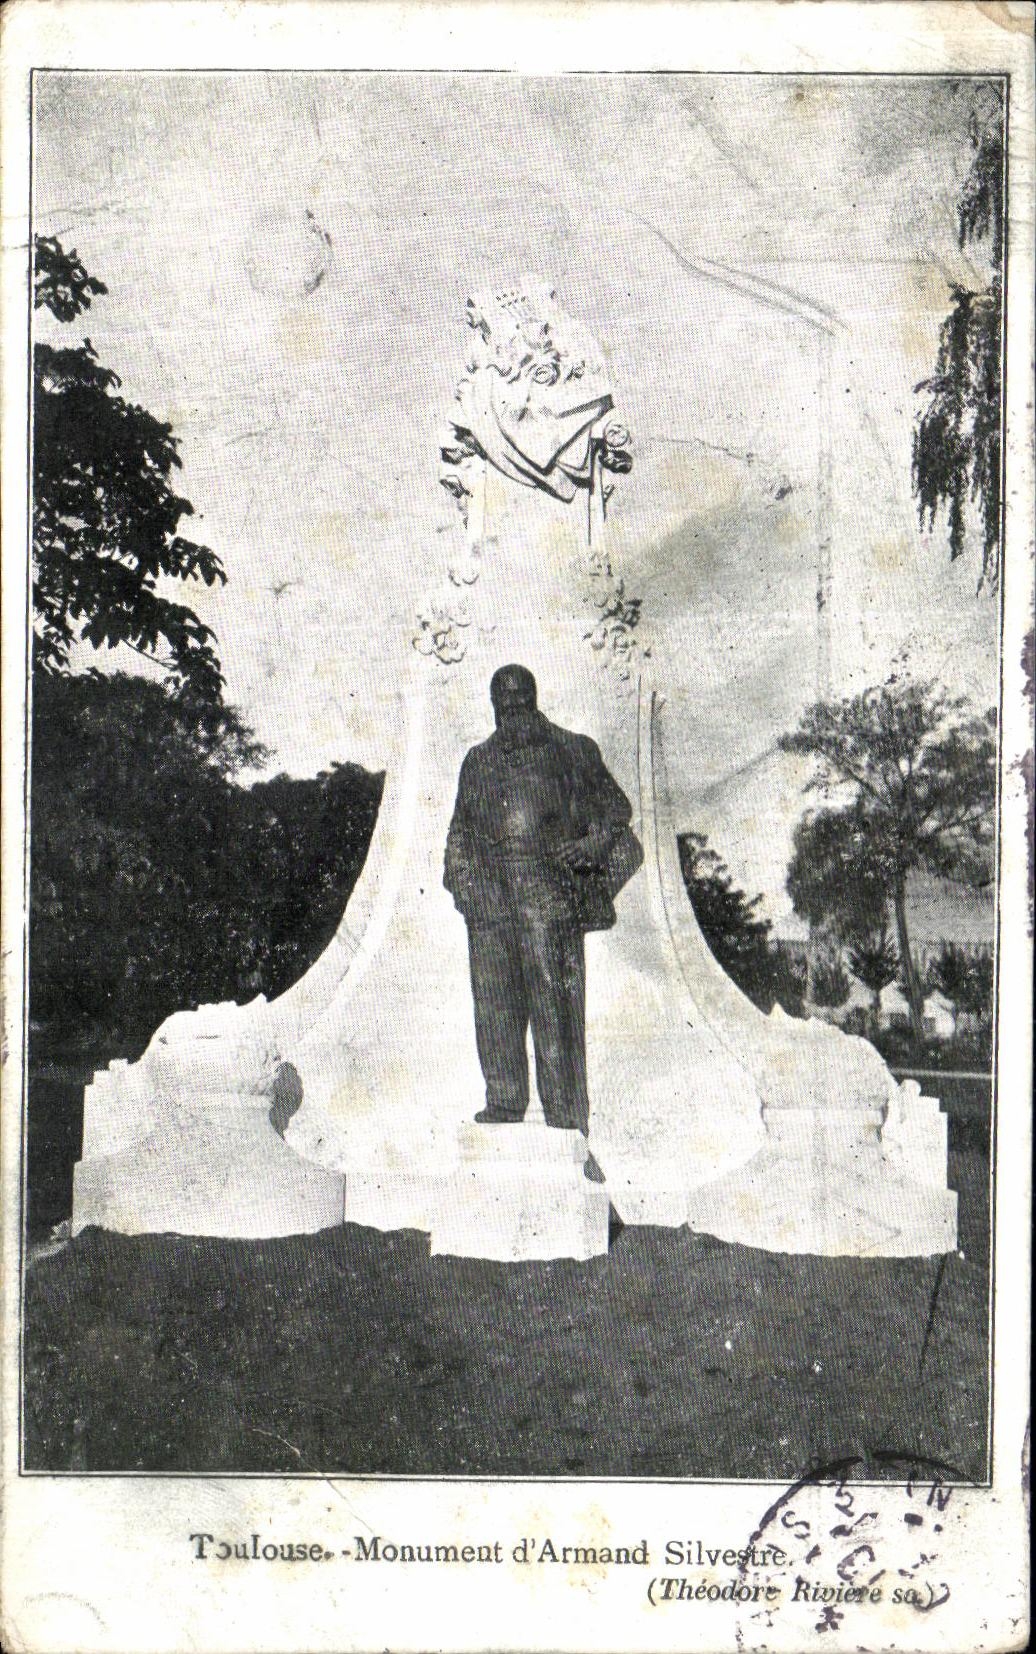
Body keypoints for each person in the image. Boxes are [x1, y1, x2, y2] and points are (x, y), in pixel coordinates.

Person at [444, 664, 640, 1143]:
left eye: (520, 698)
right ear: (493, 705)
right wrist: (466, 887)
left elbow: (617, 811)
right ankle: (505, 1099)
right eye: (502, 700)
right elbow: (459, 834)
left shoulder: (572, 750)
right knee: (493, 1004)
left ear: (534, 697)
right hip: (490, 898)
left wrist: (594, 845)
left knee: (554, 1004)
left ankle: (563, 1110)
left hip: (547, 893)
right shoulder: (477, 760)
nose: (511, 707)